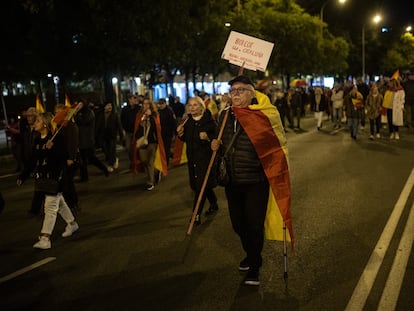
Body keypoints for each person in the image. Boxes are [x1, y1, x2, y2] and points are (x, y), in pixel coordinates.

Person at [211, 75, 293, 286]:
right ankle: (251, 253)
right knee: (238, 225)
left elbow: (276, 147)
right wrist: (214, 145)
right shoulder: (224, 116)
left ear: (251, 93)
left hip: (256, 181)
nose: (235, 94)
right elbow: (219, 145)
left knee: (254, 225)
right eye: (232, 91)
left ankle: (254, 265)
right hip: (232, 181)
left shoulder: (263, 116)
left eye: (240, 90)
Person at [17, 112, 79, 249]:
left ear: (45, 123)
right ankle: (73, 224)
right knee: (60, 203)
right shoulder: (38, 140)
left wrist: (53, 149)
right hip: (43, 179)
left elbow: (64, 157)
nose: (35, 123)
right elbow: (33, 160)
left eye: (38, 121)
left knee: (50, 208)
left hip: (56, 178)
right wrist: (23, 175)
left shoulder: (57, 138)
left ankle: (45, 238)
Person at [176, 96, 218, 225]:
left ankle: (196, 214)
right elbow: (187, 139)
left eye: (195, 105)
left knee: (200, 186)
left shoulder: (209, 122)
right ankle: (214, 202)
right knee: (198, 185)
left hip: (205, 160)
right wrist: (180, 134)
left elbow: (217, 138)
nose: (192, 107)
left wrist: (208, 137)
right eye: (190, 105)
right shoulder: (187, 122)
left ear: (201, 107)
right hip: (192, 159)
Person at [132, 98, 167, 191]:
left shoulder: (155, 115)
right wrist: (142, 122)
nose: (146, 106)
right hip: (142, 142)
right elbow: (136, 130)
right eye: (144, 104)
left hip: (152, 142)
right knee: (144, 161)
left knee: (150, 161)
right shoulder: (139, 116)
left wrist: (150, 117)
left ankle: (150, 182)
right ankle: (156, 172)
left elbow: (158, 129)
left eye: (148, 104)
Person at [74, 100, 109, 181]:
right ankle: (84, 176)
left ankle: (104, 168)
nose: (78, 106)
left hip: (87, 140)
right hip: (81, 140)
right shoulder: (80, 113)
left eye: (80, 104)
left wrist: (75, 116)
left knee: (91, 158)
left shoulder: (89, 112)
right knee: (82, 159)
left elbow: (84, 122)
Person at [96, 102, 123, 171]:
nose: (109, 107)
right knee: (106, 150)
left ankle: (110, 165)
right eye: (108, 105)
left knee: (111, 150)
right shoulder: (101, 115)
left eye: (110, 105)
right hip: (103, 136)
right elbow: (98, 126)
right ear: (104, 107)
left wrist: (121, 134)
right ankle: (114, 159)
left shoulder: (115, 115)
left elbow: (119, 125)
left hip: (112, 135)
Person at [121, 94, 141, 161]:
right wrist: (124, 129)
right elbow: (122, 119)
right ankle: (132, 161)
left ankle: (138, 161)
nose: (132, 101)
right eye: (131, 99)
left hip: (137, 131)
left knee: (138, 147)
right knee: (128, 147)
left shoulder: (138, 108)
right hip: (128, 131)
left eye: (133, 99)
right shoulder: (125, 109)